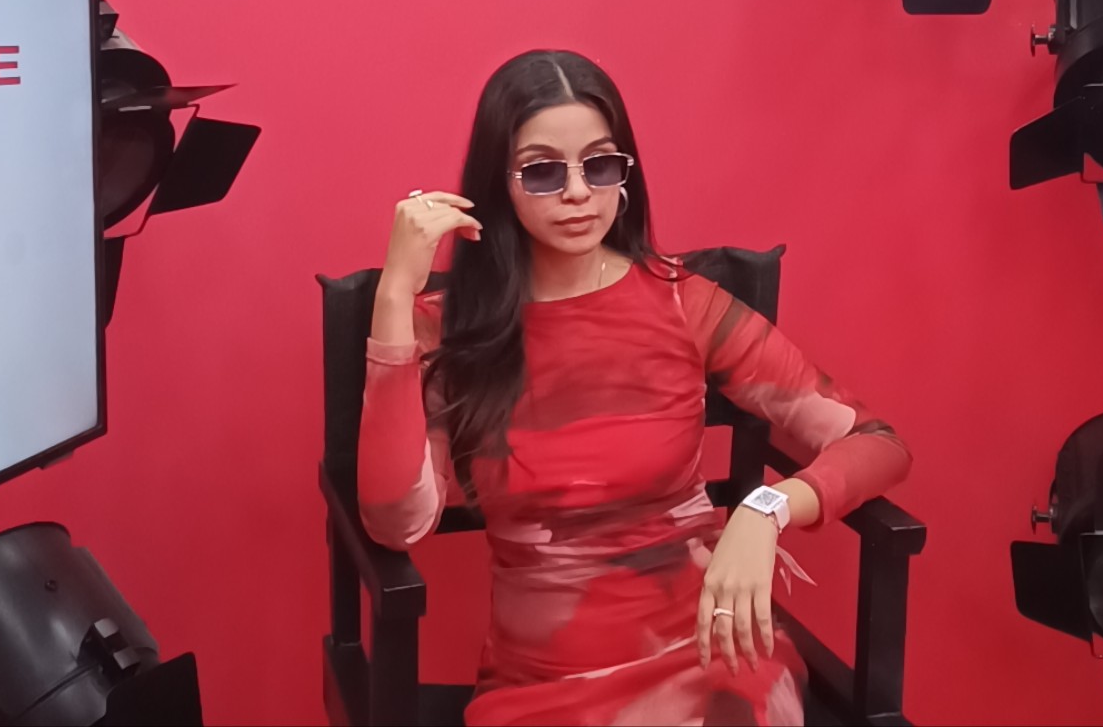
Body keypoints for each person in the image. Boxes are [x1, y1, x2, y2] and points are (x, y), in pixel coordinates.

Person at [357, 50, 912, 727]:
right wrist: (394, 297)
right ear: (498, 184)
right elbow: (397, 521)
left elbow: (877, 443)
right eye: (542, 171)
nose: (577, 193)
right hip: (543, 687)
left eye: (599, 165)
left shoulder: (683, 303)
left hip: (709, 657)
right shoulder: (450, 329)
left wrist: (764, 509)